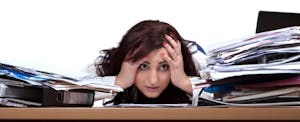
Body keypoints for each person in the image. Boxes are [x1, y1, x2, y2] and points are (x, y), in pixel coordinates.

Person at [94, 20, 206, 105]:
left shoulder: (194, 58)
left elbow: (222, 98)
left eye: (164, 67)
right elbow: (77, 94)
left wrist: (184, 82)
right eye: (143, 66)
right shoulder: (108, 63)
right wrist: (118, 83)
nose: (153, 80)